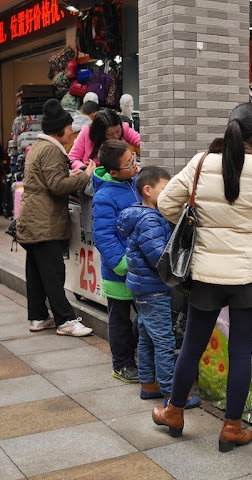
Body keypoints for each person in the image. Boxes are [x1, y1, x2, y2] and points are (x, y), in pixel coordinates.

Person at [152, 103, 252, 450]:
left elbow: (166, 204)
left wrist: (199, 220)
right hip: (248, 275)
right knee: (241, 353)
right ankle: (232, 428)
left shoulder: (201, 162)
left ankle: (174, 412)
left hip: (205, 274)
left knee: (192, 346)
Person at [117, 166, 201, 408]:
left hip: (142, 288)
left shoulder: (140, 215)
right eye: (164, 189)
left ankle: (148, 384)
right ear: (147, 190)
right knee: (164, 340)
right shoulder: (150, 219)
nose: (168, 194)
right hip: (153, 289)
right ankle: (172, 394)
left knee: (146, 336)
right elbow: (160, 257)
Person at [17, 98, 96, 336]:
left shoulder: (41, 147)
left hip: (33, 220)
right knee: (53, 273)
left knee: (36, 273)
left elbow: (51, 180)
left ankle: (39, 317)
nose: (72, 132)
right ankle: (66, 321)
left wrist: (68, 174)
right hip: (44, 221)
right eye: (69, 127)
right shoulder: (51, 149)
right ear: (59, 129)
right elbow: (57, 186)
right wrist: (84, 175)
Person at [93, 139, 142, 383]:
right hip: (119, 271)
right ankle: (121, 364)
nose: (135, 164)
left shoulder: (133, 183)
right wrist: (122, 264)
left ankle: (132, 353)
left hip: (139, 269)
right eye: (129, 163)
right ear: (113, 172)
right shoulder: (104, 196)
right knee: (120, 320)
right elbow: (104, 237)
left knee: (142, 315)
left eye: (134, 158)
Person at [69, 109, 140, 170]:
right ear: (100, 135)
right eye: (110, 134)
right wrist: (84, 168)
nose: (116, 136)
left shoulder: (124, 129)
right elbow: (73, 158)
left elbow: (143, 142)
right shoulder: (87, 132)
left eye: (118, 131)